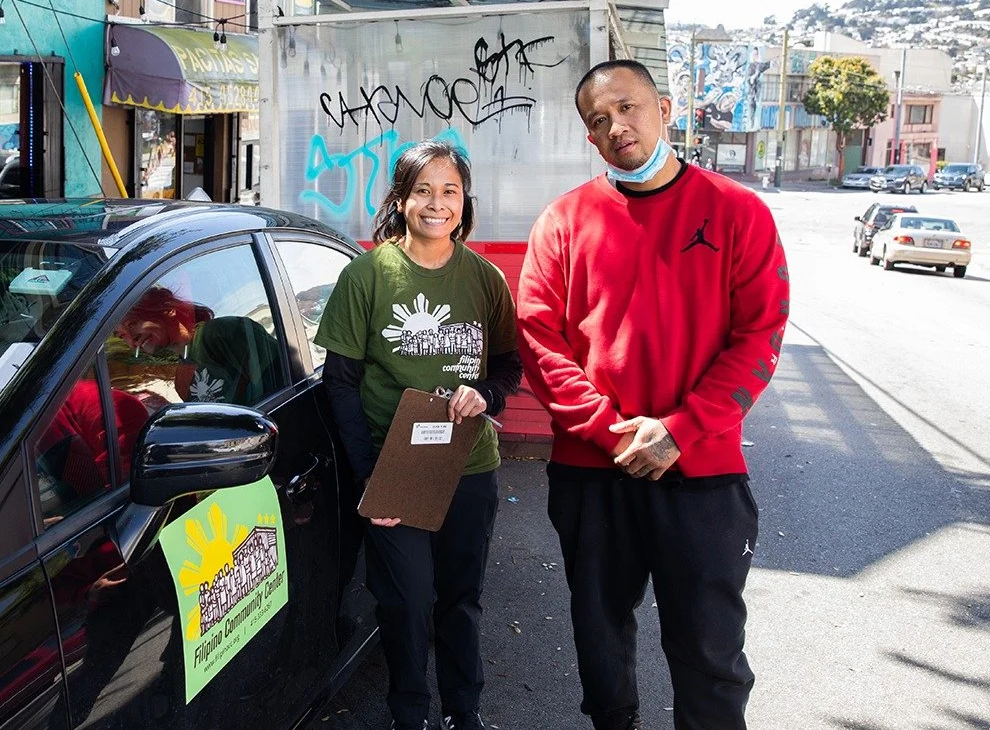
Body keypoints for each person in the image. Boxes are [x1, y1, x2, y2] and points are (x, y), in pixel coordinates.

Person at [516, 60, 790, 730]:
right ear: (589, 137)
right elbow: (538, 339)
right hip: (591, 472)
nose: (616, 126)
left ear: (664, 109)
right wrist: (610, 432)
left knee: (709, 650)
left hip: (701, 473)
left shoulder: (737, 211)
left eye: (627, 107)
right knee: (599, 639)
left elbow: (759, 334)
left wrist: (679, 430)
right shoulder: (563, 221)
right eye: (598, 120)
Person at [315, 140, 522, 730]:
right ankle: (409, 714)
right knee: (405, 601)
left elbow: (507, 366)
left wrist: (486, 395)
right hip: (394, 467)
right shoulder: (367, 275)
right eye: (423, 190)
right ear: (401, 199)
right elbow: (340, 385)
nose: (437, 203)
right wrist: (370, 479)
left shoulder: (485, 279)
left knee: (460, 597)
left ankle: (463, 710)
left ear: (465, 201)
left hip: (469, 465)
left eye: (449, 191)